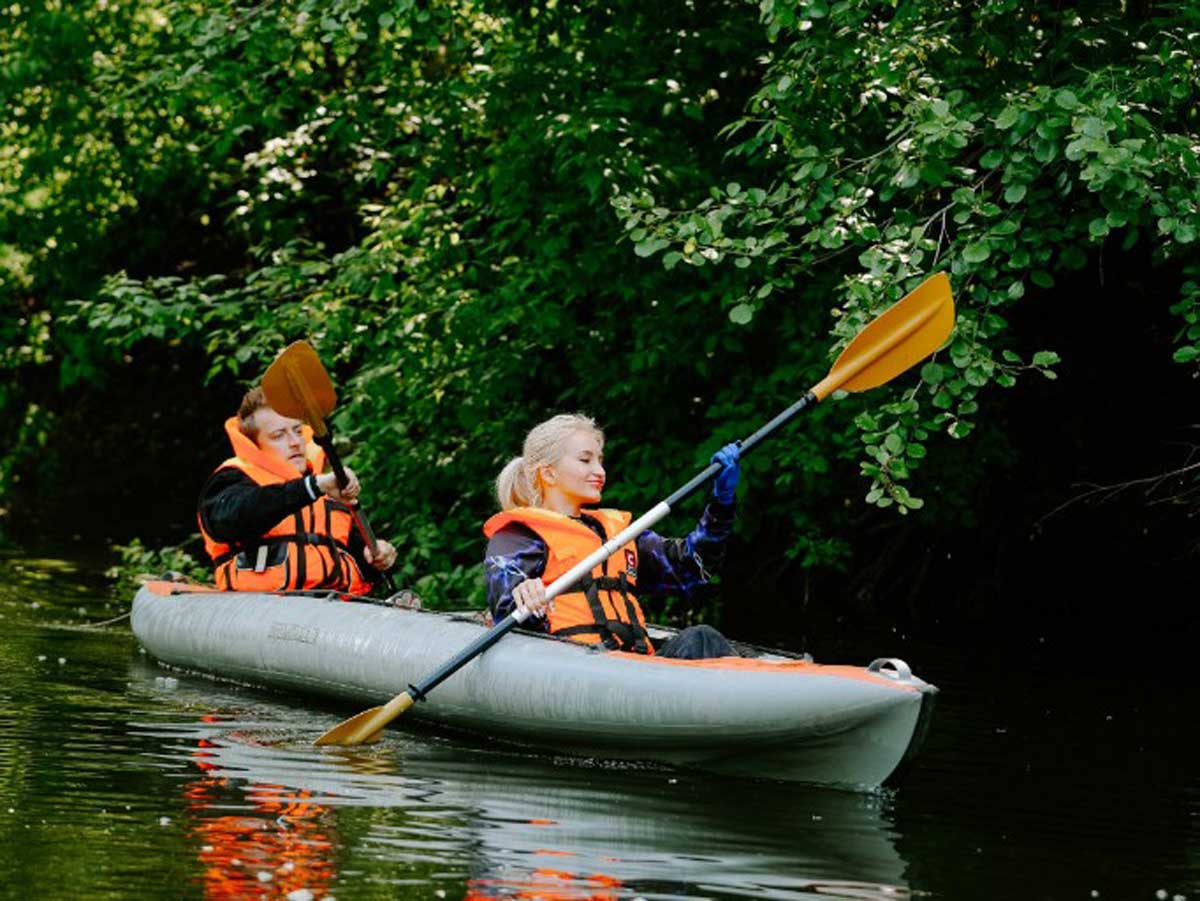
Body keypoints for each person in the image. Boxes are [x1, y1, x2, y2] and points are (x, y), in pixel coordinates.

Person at [482, 413, 740, 659]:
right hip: (569, 664)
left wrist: (721, 504)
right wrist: (525, 592)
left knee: (702, 638)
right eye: (585, 460)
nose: (600, 471)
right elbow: (507, 606)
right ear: (548, 473)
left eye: (600, 460)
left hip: (631, 664)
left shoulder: (618, 534)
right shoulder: (518, 536)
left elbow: (693, 567)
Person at [197, 386, 397, 594]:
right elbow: (231, 520)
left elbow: (356, 559)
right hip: (261, 607)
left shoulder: (327, 489)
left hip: (333, 606)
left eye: (298, 431)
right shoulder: (232, 479)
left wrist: (374, 556)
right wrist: (312, 487)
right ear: (254, 444)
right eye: (278, 435)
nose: (295, 443)